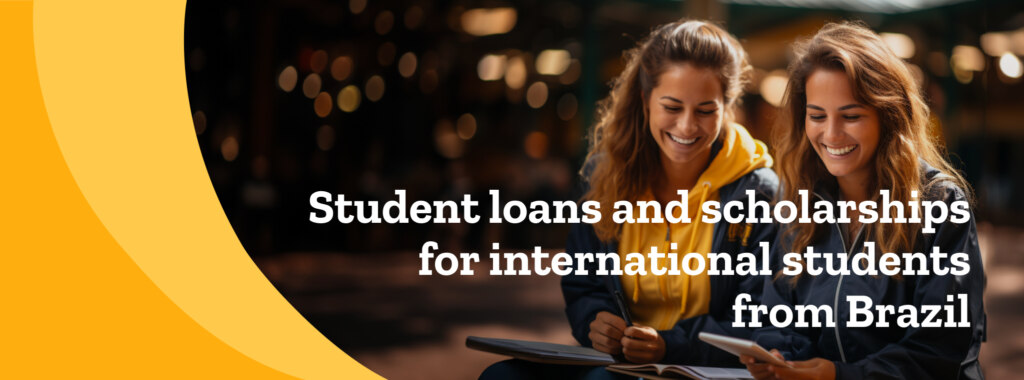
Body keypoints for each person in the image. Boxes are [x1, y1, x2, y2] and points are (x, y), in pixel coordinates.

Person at [477, 19, 780, 380]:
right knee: (501, 377)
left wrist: (670, 345)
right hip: (617, 365)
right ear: (645, 99)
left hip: (701, 370)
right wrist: (595, 322)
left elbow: (758, 318)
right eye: (672, 106)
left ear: (726, 108)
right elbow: (583, 282)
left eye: (705, 110)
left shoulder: (758, 192)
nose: (686, 126)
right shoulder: (604, 175)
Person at [740, 21, 986, 380]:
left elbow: (942, 347)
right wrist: (778, 354)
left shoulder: (940, 203)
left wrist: (840, 375)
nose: (831, 134)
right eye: (817, 116)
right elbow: (777, 316)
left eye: (851, 116)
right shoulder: (800, 203)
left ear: (889, 116)